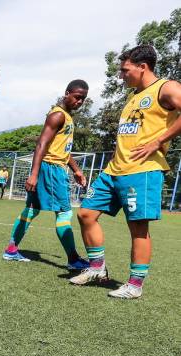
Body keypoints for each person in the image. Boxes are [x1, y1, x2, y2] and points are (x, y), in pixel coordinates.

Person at [71, 45, 181, 299]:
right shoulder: (134, 96)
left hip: (142, 170)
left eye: (124, 70)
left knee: (138, 228)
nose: (121, 75)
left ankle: (134, 285)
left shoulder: (166, 88)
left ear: (142, 67)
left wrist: (158, 141)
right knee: (86, 214)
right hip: (114, 170)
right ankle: (97, 269)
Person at [2, 80, 90, 269]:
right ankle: (74, 259)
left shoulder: (66, 116)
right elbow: (41, 144)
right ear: (67, 93)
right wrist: (33, 175)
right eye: (77, 97)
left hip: (51, 166)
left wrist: (76, 169)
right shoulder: (58, 115)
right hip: (52, 169)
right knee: (64, 212)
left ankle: (11, 250)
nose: (80, 101)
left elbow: (61, 149)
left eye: (83, 99)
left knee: (32, 209)